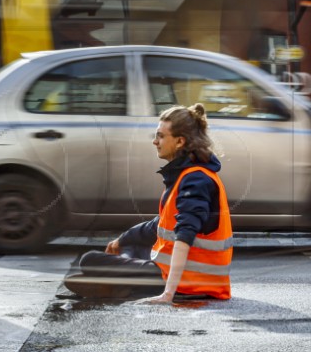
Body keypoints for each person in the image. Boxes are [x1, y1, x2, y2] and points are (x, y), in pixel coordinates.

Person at [64, 104, 233, 303]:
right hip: (188, 276)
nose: (155, 141)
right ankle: (122, 286)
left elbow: (184, 235)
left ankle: (124, 286)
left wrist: (168, 295)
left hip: (189, 281)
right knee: (132, 248)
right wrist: (123, 239)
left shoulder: (196, 180)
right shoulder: (189, 175)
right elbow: (161, 224)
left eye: (160, 136)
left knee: (89, 260)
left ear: (180, 141)